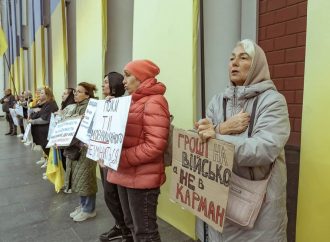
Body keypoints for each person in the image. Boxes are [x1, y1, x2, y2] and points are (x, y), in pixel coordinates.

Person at [195, 39, 290, 242]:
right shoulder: (217, 100)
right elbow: (199, 139)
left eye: (243, 57)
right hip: (219, 200)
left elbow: (265, 148)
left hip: (259, 210)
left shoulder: (273, 101)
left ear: (257, 65)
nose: (234, 63)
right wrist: (224, 128)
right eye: (231, 58)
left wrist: (217, 137)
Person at [107, 60, 170, 242]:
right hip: (124, 174)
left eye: (127, 75)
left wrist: (121, 157)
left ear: (141, 77)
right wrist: (111, 109)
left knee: (145, 232)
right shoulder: (129, 102)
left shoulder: (155, 102)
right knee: (132, 225)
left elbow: (155, 145)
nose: (123, 81)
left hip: (142, 179)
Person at [98, 72, 131, 242]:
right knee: (109, 195)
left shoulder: (124, 104)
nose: (103, 85)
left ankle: (125, 230)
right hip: (103, 158)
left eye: (106, 82)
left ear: (114, 85)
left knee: (113, 196)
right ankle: (120, 226)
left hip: (116, 159)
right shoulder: (104, 103)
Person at [67, 82, 98, 222]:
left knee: (86, 178)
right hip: (76, 148)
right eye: (75, 91)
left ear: (87, 94)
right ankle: (83, 205)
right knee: (79, 179)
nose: (75, 94)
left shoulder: (91, 107)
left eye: (79, 92)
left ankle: (89, 209)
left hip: (86, 148)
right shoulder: (77, 107)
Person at [29, 87, 59, 160]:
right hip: (41, 132)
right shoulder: (41, 103)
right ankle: (47, 162)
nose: (39, 94)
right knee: (45, 149)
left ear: (47, 95)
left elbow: (44, 119)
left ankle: (50, 166)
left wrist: (32, 121)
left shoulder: (50, 104)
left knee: (48, 150)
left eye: (42, 93)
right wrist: (34, 110)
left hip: (46, 132)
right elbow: (30, 111)